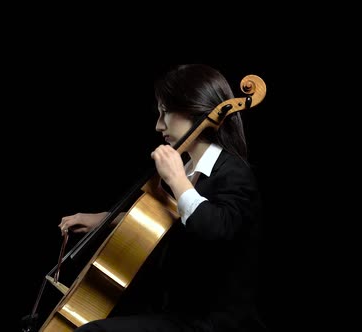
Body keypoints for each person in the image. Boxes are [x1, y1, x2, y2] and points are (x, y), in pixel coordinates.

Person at [58, 64, 267, 332]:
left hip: (214, 324)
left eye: (165, 112)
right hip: (175, 313)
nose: (159, 125)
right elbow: (166, 225)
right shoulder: (191, 172)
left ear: (193, 108)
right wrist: (104, 220)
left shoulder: (234, 173)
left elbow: (214, 229)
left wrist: (177, 181)